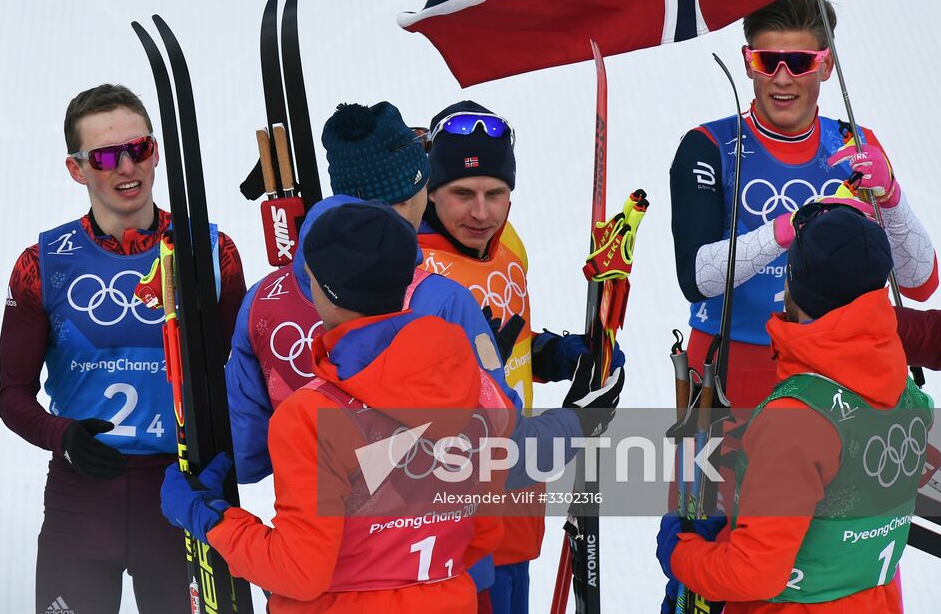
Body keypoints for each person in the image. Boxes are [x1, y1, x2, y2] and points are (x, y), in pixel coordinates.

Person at [225, 101, 616, 612]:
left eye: (496, 194)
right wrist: (578, 423)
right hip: (444, 564)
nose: (480, 211)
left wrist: (538, 353)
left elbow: (245, 455)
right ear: (416, 192)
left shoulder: (264, 299)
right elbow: (500, 450)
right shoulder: (438, 293)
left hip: (319, 570)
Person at [163, 200, 511, 612]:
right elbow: (482, 532)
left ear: (321, 290)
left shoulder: (311, 416)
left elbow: (298, 571)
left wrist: (209, 517)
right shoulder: (479, 391)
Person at [0, 84, 247, 614]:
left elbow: (241, 377)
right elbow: (12, 395)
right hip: (81, 498)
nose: (126, 167)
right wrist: (61, 435)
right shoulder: (41, 263)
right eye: (106, 156)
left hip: (184, 491)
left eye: (140, 149)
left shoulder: (212, 251)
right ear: (76, 169)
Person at [657, 200, 931, 613]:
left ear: (794, 285)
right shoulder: (906, 392)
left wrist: (681, 554)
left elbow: (754, 574)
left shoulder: (797, 420)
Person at [669, 0, 938, 407]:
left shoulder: (855, 143)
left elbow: (920, 282)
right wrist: (790, 227)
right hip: (729, 370)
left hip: (842, 371)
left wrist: (892, 198)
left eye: (798, 62)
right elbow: (695, 278)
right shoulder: (709, 145)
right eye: (766, 60)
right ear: (746, 61)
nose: (781, 77)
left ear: (826, 64)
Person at [417, 99, 623, 611]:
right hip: (455, 520)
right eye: (461, 193)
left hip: (520, 492)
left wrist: (557, 356)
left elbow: (517, 342)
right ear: (429, 190)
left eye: (496, 193)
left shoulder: (508, 243)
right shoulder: (413, 269)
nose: (481, 212)